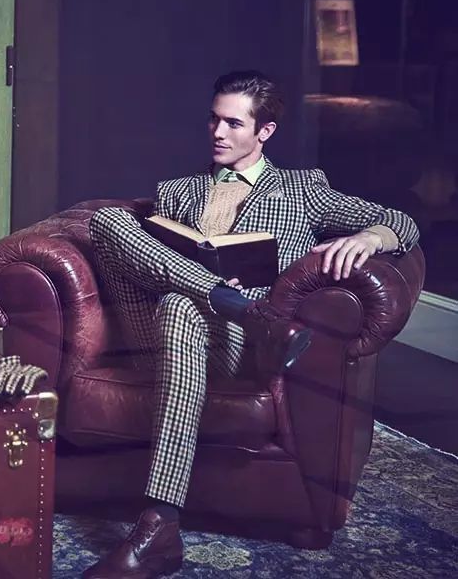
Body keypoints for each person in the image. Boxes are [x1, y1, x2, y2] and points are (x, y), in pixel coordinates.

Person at [82, 70, 419, 579]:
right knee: (110, 224)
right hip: (156, 331)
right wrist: (209, 283)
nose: (218, 133)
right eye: (213, 119)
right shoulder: (175, 192)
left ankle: (158, 524)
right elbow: (149, 263)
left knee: (180, 306)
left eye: (234, 124)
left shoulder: (303, 190)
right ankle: (238, 304)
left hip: (235, 343)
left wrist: (371, 238)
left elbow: (403, 222)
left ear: (265, 131)